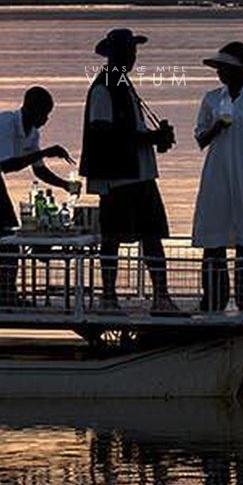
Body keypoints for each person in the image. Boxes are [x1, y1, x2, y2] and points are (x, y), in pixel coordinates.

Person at [79, 27, 179, 313]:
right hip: (119, 178)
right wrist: (151, 138)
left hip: (139, 174)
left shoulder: (121, 83)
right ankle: (109, 298)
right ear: (117, 55)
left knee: (151, 234)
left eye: (134, 52)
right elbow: (104, 134)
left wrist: (154, 138)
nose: (133, 57)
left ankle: (160, 298)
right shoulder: (103, 86)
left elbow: (125, 131)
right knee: (114, 239)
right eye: (129, 52)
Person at [0, 86, 77, 306]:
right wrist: (45, 152)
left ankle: (5, 291)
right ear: (30, 108)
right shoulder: (5, 124)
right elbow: (8, 165)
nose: (46, 119)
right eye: (44, 114)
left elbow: (38, 169)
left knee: (9, 230)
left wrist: (64, 184)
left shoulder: (32, 133)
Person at [191, 41, 243, 312]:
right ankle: (213, 299)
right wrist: (217, 127)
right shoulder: (212, 99)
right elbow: (201, 138)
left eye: (224, 69)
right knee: (213, 239)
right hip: (216, 174)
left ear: (237, 71)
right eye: (219, 69)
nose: (219, 74)